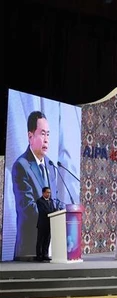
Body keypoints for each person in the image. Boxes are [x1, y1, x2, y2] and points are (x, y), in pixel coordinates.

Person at [12, 111, 57, 260]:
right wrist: (54, 216)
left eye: (48, 134)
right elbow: (28, 209)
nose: (46, 140)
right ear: (30, 136)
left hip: (48, 249)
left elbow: (52, 201)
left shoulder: (50, 166)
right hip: (29, 250)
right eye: (42, 134)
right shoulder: (21, 166)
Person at [35, 187, 56, 262]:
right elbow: (43, 211)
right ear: (43, 193)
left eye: (49, 192)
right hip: (42, 224)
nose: (49, 194)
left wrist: (57, 210)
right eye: (47, 192)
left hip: (49, 224)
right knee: (40, 240)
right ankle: (39, 256)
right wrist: (52, 212)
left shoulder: (51, 201)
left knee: (47, 240)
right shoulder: (39, 201)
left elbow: (53, 209)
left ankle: (45, 255)